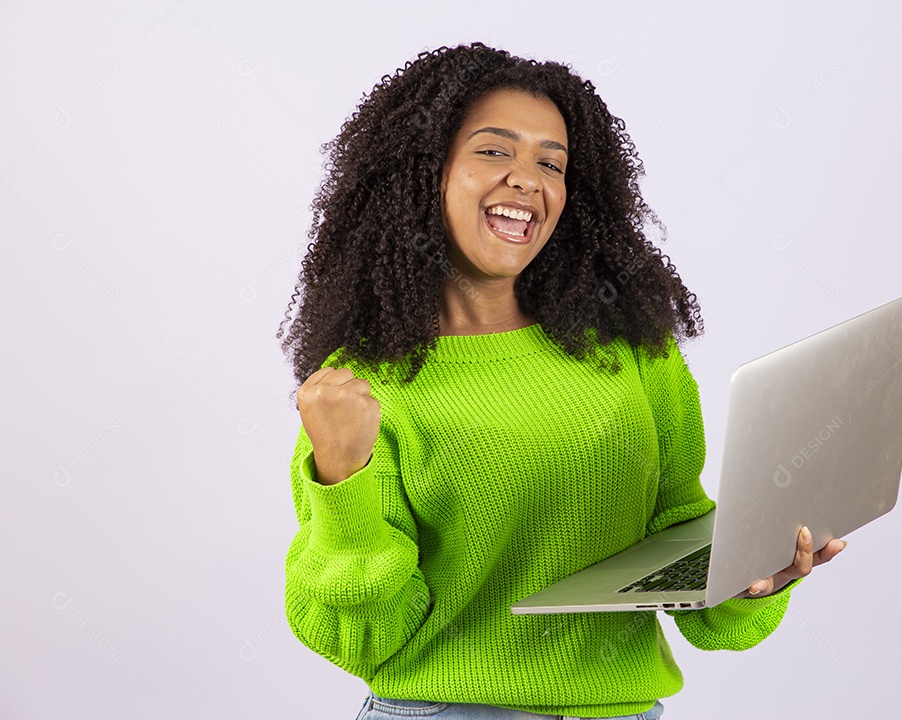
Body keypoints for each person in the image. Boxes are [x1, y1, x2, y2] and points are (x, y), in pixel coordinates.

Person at [277, 42, 845, 720]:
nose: (527, 179)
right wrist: (342, 482)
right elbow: (366, 637)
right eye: (494, 151)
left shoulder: (631, 350)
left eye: (551, 162)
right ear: (422, 172)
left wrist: (755, 573)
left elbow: (679, 531)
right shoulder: (362, 386)